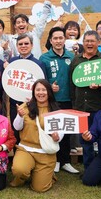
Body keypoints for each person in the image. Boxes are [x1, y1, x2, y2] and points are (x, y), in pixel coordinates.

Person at [69, 30, 101, 169]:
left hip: (99, 106)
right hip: (81, 107)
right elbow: (72, 83)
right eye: (87, 41)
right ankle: (89, 168)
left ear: (97, 42)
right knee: (85, 140)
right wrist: (74, 103)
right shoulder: (76, 60)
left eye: (92, 41)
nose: (89, 44)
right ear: (83, 43)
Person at [10, 79, 62, 192]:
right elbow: (17, 127)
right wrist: (19, 116)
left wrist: (57, 137)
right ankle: (23, 175)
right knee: (19, 169)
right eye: (38, 90)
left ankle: (46, 175)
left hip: (46, 152)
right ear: (33, 92)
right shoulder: (26, 106)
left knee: (40, 188)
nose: (41, 93)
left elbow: (60, 133)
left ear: (49, 92)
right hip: (26, 149)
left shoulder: (55, 110)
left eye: (44, 90)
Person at [40, 27, 79, 174]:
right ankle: (55, 160)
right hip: (52, 101)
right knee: (53, 131)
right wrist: (49, 87)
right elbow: (41, 82)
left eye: (60, 38)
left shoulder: (72, 57)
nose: (58, 41)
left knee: (67, 131)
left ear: (64, 39)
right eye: (55, 38)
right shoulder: (44, 58)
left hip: (69, 99)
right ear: (50, 40)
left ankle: (66, 161)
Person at [7, 34, 47, 142]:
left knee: (32, 129)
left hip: (34, 103)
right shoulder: (11, 62)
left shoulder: (39, 63)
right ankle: (18, 156)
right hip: (15, 103)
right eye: (20, 44)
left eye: (26, 43)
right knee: (16, 130)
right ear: (17, 46)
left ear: (32, 45)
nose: (23, 46)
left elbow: (43, 85)